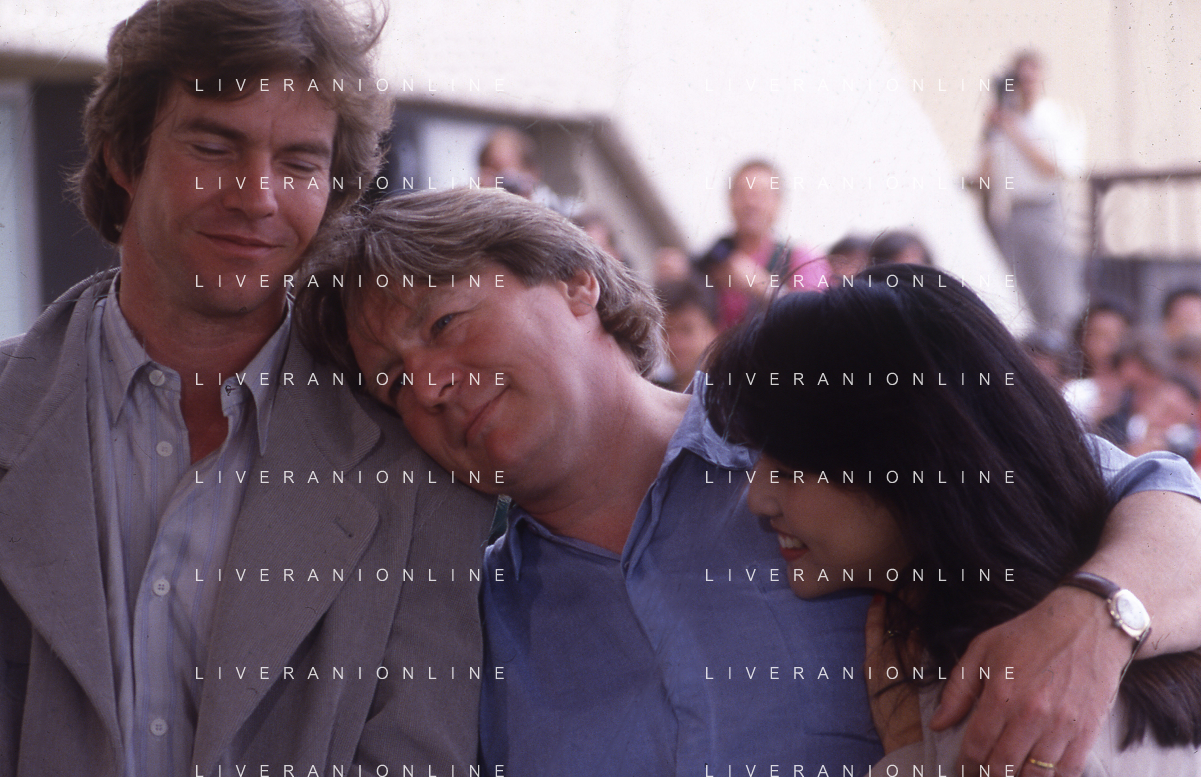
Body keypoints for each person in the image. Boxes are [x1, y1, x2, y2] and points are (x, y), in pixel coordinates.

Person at [296, 188, 1201, 777]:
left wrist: (1098, 617)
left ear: (574, 283)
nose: (428, 384)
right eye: (391, 380)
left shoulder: (821, 427)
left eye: (445, 321)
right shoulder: (466, 625)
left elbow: (1163, 506)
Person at [0, 2, 493, 775]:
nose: (256, 195)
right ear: (124, 155)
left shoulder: (415, 463)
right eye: (213, 145)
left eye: (298, 163)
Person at [703, 263, 1201, 775]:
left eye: (790, 469)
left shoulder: (1034, 709)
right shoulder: (976, 640)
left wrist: (908, 756)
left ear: (912, 461)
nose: (757, 499)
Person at [979, 50, 1086, 335]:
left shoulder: (1053, 117)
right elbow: (983, 174)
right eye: (1019, 79)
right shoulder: (1004, 121)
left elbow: (1053, 168)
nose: (1025, 86)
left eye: (1030, 79)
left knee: (1055, 290)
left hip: (1045, 208)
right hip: (1010, 212)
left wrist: (1014, 131)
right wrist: (990, 129)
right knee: (1020, 292)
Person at [696, 158, 831, 330]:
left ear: (778, 203)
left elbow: (816, 320)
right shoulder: (711, 259)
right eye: (742, 194)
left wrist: (762, 287)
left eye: (761, 195)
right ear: (730, 200)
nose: (751, 203)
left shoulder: (802, 259)